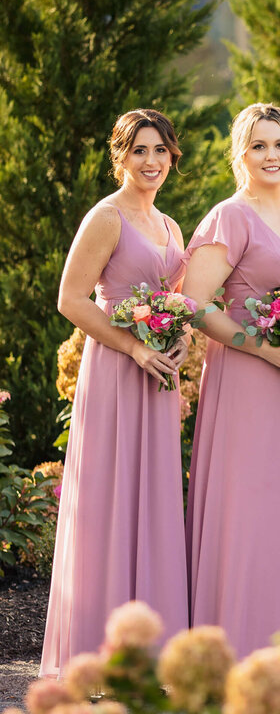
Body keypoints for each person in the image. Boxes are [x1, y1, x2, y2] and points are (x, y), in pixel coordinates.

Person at [182, 103, 280, 657]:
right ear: (240, 155)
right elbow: (195, 304)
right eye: (258, 146)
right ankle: (241, 644)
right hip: (249, 383)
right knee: (252, 507)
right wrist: (265, 350)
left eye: (279, 145)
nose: (271, 156)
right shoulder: (230, 216)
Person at [41, 109, 190, 676]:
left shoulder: (170, 226)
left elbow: (174, 299)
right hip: (117, 368)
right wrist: (133, 347)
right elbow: (72, 300)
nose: (151, 162)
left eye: (160, 151)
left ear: (172, 156)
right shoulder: (106, 217)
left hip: (158, 372)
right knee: (110, 500)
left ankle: (147, 654)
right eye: (139, 151)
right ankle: (96, 656)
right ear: (120, 157)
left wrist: (176, 342)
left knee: (151, 499)